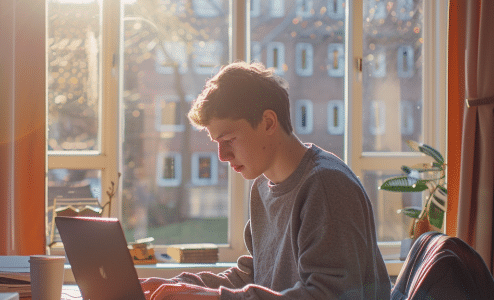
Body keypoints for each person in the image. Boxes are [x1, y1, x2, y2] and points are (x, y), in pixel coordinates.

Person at [141, 61, 391, 299]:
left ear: (268, 122)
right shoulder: (262, 188)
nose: (223, 156)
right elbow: (253, 277)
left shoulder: (325, 186)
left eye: (229, 140)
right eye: (217, 143)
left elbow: (330, 296)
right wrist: (175, 287)